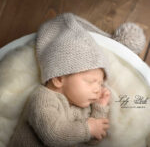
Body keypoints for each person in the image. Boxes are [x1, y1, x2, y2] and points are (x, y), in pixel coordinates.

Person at [8, 13, 111, 147]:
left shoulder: (81, 109)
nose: (98, 89)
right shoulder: (42, 99)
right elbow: (53, 135)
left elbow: (92, 140)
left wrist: (99, 108)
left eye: (100, 83)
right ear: (58, 79)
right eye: (91, 81)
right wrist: (88, 128)